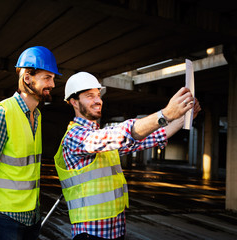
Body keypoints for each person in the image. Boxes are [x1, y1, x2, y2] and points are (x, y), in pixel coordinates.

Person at [54, 72, 201, 240]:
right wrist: (165, 114)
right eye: (89, 96)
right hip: (90, 233)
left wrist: (183, 118)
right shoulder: (74, 137)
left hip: (116, 230)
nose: (98, 100)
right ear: (74, 102)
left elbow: (149, 138)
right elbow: (120, 133)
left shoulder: (103, 137)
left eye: (98, 95)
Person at [0, 46, 61, 240]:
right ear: (27, 78)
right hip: (4, 218)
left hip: (31, 216)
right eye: (47, 78)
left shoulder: (38, 115)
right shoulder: (2, 113)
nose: (52, 84)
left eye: (53, 78)